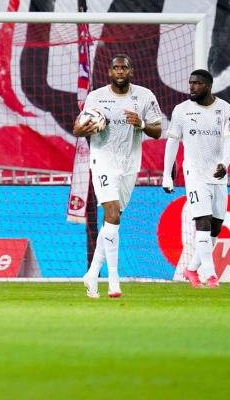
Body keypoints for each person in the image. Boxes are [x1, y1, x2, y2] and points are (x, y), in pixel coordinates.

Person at [73, 54, 162, 298]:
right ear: (109, 72)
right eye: (116, 68)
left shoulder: (144, 96)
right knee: (111, 213)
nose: (120, 72)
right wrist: (84, 128)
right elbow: (77, 127)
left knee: (112, 220)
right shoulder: (97, 97)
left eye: (124, 67)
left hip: (129, 163)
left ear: (131, 71)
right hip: (102, 159)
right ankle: (113, 280)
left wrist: (141, 123)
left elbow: (157, 130)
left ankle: (91, 274)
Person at [162, 69, 230, 288]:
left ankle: (191, 269)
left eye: (197, 83)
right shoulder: (181, 110)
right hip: (194, 174)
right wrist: (167, 175)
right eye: (190, 82)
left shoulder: (226, 109)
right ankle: (211, 276)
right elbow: (172, 142)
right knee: (202, 222)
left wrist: (225, 163)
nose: (192, 87)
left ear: (209, 86)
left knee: (216, 227)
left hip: (218, 174)